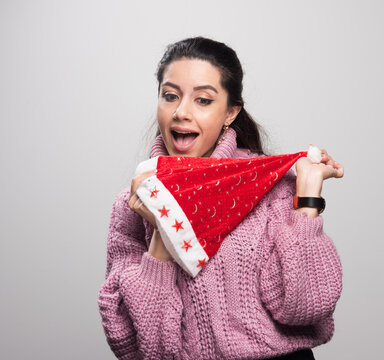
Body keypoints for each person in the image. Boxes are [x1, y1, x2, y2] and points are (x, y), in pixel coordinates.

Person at [98, 36, 344, 360]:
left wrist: (308, 197)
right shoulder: (134, 205)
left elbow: (305, 307)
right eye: (170, 96)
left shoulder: (270, 189)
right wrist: (163, 230)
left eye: (202, 100)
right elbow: (139, 347)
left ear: (230, 112)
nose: (181, 112)